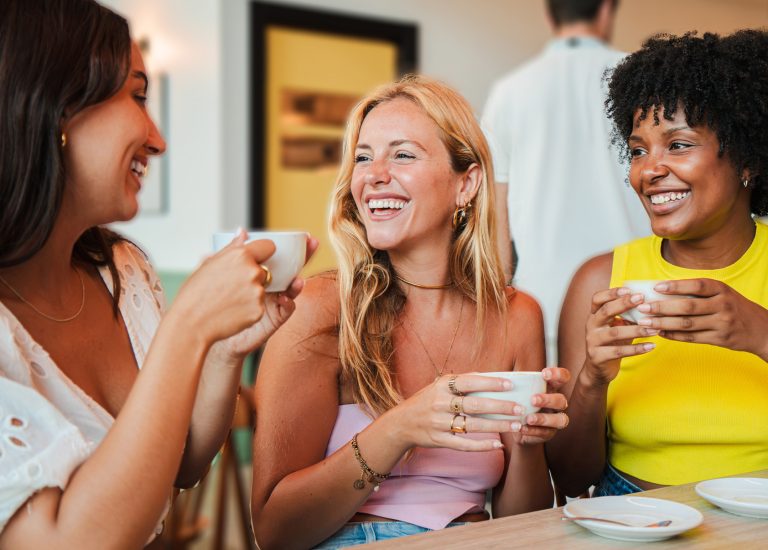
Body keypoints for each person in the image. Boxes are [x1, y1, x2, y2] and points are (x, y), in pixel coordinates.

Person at [0, 1, 316, 547]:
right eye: (137, 96)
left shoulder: (124, 272)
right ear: (56, 108)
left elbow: (181, 466)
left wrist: (222, 348)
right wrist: (188, 326)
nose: (158, 139)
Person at [250, 75, 571, 549]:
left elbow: (519, 524)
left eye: (402, 154)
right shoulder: (321, 309)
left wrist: (528, 442)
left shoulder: (516, 315)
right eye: (363, 157)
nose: (373, 174)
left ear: (466, 183)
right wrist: (400, 427)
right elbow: (275, 531)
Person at [548, 30, 768, 498]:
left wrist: (760, 332)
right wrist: (591, 380)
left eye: (679, 144)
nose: (648, 170)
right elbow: (570, 479)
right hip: (630, 512)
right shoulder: (599, 280)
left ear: (747, 158)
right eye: (638, 150)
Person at [481, 0, 648, 361]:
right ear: (606, 11)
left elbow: (496, 217)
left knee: (557, 414)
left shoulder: (509, 92)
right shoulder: (638, 81)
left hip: (542, 302)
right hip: (634, 294)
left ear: (549, 15)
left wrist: (500, 307)